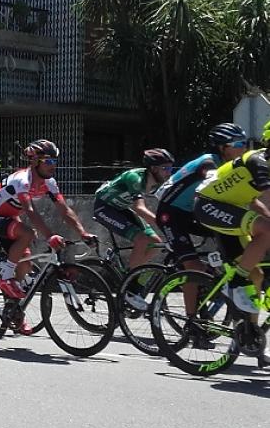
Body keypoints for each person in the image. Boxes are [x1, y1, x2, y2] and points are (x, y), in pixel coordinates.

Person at [0, 139, 96, 315]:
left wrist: (83, 232)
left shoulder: (49, 183)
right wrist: (50, 236)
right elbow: (31, 212)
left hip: (9, 217)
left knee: (25, 265)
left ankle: (13, 313)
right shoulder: (22, 180)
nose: (53, 166)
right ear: (34, 161)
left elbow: (65, 210)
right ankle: (5, 277)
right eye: (48, 161)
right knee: (27, 233)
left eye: (55, 162)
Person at [155, 123, 247, 315]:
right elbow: (211, 177)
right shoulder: (209, 161)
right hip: (170, 214)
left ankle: (212, 276)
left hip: (192, 213)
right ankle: (192, 322)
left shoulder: (228, 164)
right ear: (222, 147)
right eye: (238, 144)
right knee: (193, 267)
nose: (244, 148)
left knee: (236, 239)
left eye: (245, 143)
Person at [193, 120, 270, 314]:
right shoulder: (258, 162)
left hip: (230, 209)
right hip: (208, 205)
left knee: (257, 275)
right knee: (266, 229)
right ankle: (235, 283)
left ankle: (249, 336)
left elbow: (254, 202)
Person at [92, 148, 175, 309]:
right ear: (153, 168)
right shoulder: (135, 178)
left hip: (121, 208)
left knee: (155, 242)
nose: (169, 172)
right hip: (104, 208)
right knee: (142, 239)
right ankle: (129, 285)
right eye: (165, 168)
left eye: (171, 168)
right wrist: (163, 225)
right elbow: (139, 208)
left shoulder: (156, 181)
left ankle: (131, 278)